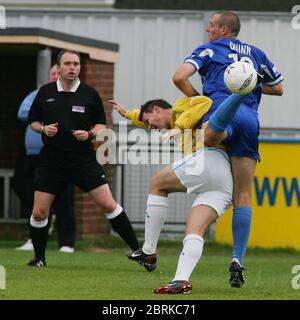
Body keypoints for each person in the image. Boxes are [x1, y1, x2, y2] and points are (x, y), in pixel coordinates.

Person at [172, 11, 283, 287]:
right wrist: (251, 85)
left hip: (221, 110)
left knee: (209, 138)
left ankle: (213, 132)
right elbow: (279, 88)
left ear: (223, 29)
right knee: (242, 194)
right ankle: (238, 259)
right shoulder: (256, 54)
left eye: (211, 25)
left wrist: (198, 100)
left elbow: (179, 77)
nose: (208, 29)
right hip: (249, 121)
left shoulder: (209, 49)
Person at [110, 95, 234, 294]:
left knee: (158, 183)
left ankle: (148, 251)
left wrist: (179, 126)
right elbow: (143, 117)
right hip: (224, 182)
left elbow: (205, 103)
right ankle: (181, 281)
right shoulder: (167, 121)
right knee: (194, 231)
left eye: (150, 122)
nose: (150, 128)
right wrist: (126, 114)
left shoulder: (180, 108)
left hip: (211, 159)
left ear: (158, 110)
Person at [27, 49, 139, 267]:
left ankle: (139, 251)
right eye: (68, 63)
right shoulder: (45, 92)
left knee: (108, 204)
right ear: (58, 68)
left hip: (83, 160)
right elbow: (33, 121)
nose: (72, 67)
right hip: (51, 161)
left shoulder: (89, 93)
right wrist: (43, 130)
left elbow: (101, 125)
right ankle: (39, 258)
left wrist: (89, 134)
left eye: (76, 64)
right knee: (39, 212)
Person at [16, 65, 76, 253]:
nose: (55, 76)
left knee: (64, 199)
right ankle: (34, 239)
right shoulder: (39, 93)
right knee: (29, 195)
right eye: (52, 73)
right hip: (33, 157)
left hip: (60, 156)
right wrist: (47, 115)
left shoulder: (73, 94)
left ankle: (66, 243)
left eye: (58, 73)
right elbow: (23, 112)